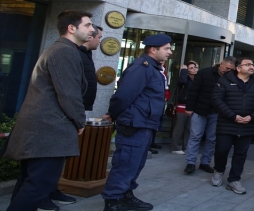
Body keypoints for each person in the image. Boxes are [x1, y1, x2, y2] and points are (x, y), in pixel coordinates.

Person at [1, 10, 93, 211]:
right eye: (87, 25)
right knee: (37, 187)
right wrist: (79, 121)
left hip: (42, 130)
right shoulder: (64, 51)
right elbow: (68, 93)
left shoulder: (61, 49)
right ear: (71, 28)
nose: (92, 30)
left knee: (31, 183)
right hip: (47, 130)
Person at [101, 34, 172, 211]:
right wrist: (113, 114)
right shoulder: (142, 67)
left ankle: (125, 195)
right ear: (153, 49)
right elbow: (124, 95)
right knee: (126, 163)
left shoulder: (154, 68)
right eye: (166, 49)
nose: (170, 52)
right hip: (135, 124)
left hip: (145, 124)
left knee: (135, 164)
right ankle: (112, 201)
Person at [211, 57, 254, 194]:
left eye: (252, 64)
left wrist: (252, 117)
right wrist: (233, 116)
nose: (251, 66)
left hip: (248, 125)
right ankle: (218, 171)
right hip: (227, 123)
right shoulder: (224, 80)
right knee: (222, 149)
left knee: (241, 153)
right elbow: (217, 100)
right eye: (247, 64)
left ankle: (234, 180)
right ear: (238, 68)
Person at [184, 57, 236, 174]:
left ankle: (205, 162)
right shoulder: (204, 73)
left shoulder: (231, 77)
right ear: (221, 64)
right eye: (227, 68)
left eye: (231, 69)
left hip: (218, 112)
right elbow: (193, 91)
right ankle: (190, 162)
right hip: (200, 110)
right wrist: (189, 108)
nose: (228, 71)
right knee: (195, 136)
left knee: (212, 139)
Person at [170, 61, 198, 155]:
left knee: (189, 128)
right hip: (182, 105)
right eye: (191, 68)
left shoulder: (198, 79)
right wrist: (183, 71)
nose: (194, 69)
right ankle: (176, 147)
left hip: (193, 106)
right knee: (179, 127)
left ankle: (186, 146)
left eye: (195, 67)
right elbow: (181, 82)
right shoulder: (184, 78)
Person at [80, 25, 103, 111]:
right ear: (90, 37)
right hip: (74, 107)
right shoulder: (77, 54)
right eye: (99, 37)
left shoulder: (87, 54)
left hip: (81, 106)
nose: (99, 41)